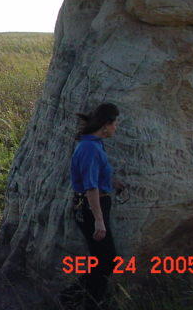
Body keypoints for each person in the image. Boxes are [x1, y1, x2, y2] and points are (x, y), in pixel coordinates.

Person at [60, 103, 122, 310]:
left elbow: (96, 174)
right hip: (90, 206)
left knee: (103, 259)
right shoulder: (90, 148)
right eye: (115, 124)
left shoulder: (94, 144)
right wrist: (99, 221)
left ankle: (79, 299)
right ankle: (80, 299)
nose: (116, 128)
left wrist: (113, 182)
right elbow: (91, 187)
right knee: (107, 260)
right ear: (106, 125)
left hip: (92, 204)